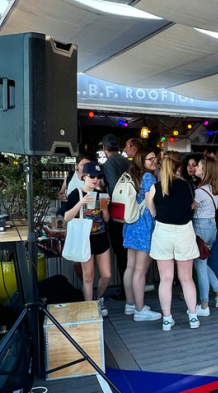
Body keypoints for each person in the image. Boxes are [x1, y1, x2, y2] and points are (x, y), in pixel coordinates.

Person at [151, 154, 200, 331]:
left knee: (165, 279)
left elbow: (153, 211)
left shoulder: (155, 188)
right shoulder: (188, 186)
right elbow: (192, 206)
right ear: (178, 168)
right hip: (184, 232)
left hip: (162, 231)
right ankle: (193, 317)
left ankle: (166, 319)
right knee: (186, 278)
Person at [64, 162, 112, 316]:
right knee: (88, 276)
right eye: (92, 176)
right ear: (84, 176)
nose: (95, 180)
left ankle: (97, 298)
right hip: (85, 239)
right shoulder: (76, 193)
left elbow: (106, 219)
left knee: (106, 275)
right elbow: (67, 218)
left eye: (98, 177)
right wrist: (81, 202)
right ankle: (89, 308)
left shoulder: (102, 193)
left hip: (101, 236)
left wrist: (104, 208)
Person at [121, 148, 161, 321]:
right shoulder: (148, 177)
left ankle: (130, 304)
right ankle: (140, 309)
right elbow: (151, 203)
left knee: (131, 266)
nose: (154, 161)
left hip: (131, 223)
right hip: (144, 225)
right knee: (140, 269)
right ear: (141, 161)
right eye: (150, 159)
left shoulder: (132, 175)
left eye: (155, 158)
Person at [102, 135, 142, 304]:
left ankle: (127, 293)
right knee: (130, 253)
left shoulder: (108, 164)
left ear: (104, 148)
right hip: (132, 212)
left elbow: (112, 188)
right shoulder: (128, 163)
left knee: (121, 252)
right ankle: (135, 288)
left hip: (117, 214)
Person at [192, 157, 218, 313]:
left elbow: (189, 208)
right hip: (212, 227)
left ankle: (204, 305)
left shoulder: (200, 192)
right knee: (203, 263)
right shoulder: (215, 189)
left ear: (205, 170)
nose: (195, 168)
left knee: (200, 266)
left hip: (200, 227)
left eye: (199, 166)